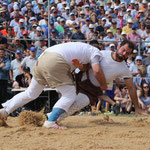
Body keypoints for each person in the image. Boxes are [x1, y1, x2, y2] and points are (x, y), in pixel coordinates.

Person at [0, 42, 107, 129]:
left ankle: (4, 111)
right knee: (69, 95)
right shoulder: (96, 52)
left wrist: (82, 67)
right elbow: (97, 71)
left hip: (43, 58)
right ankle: (51, 121)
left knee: (31, 93)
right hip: (55, 61)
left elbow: (78, 67)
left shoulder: (79, 48)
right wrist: (103, 86)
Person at [45, 40, 147, 124]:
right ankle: (50, 119)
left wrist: (137, 107)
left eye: (127, 53)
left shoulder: (124, 69)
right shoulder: (101, 54)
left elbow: (131, 88)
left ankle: (49, 118)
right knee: (68, 100)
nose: (124, 54)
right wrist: (80, 67)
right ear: (119, 46)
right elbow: (85, 65)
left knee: (75, 106)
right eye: (123, 50)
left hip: (91, 89)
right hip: (78, 78)